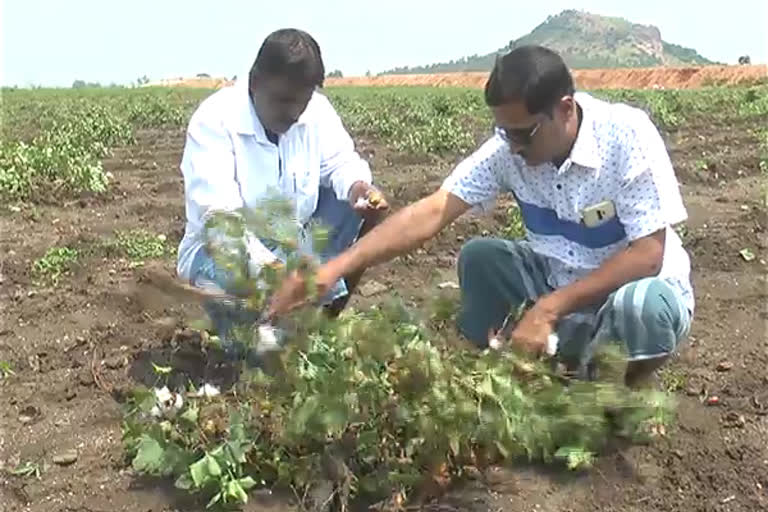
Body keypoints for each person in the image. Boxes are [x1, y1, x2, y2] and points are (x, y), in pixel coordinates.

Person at [270, 45, 694, 387]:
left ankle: (610, 386)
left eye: (522, 133)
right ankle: (551, 359)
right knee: (481, 258)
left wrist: (548, 308)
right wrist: (335, 269)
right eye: (503, 132)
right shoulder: (510, 148)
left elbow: (647, 254)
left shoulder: (626, 136)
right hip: (557, 279)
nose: (511, 146)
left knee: (644, 308)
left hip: (625, 291)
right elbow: (434, 210)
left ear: (565, 109)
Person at [176, 28, 388, 354]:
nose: (293, 114)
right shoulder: (215, 121)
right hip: (220, 252)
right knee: (262, 358)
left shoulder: (315, 111)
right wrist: (278, 272)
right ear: (255, 82)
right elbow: (221, 221)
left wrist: (359, 188)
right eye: (283, 101)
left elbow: (342, 163)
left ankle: (318, 316)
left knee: (352, 205)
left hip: (292, 246)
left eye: (301, 103)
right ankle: (257, 333)